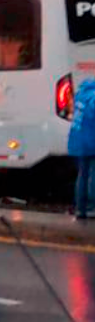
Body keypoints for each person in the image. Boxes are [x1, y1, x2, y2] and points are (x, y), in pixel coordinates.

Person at [70, 79, 95, 220]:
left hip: (78, 141)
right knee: (93, 176)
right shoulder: (94, 98)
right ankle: (92, 207)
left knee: (82, 175)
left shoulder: (80, 94)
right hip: (91, 142)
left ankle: (80, 208)